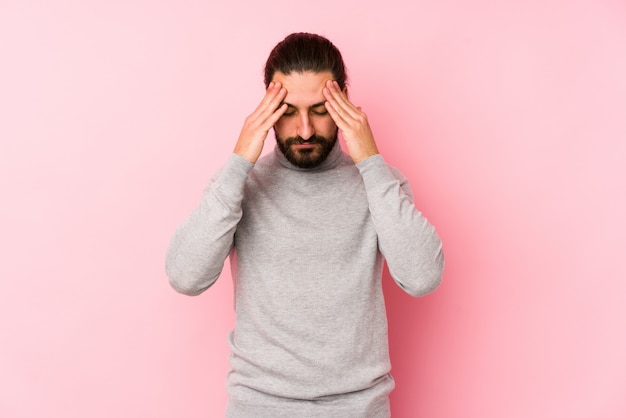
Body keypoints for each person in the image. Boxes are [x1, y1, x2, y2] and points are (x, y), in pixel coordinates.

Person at [166, 32, 444, 417]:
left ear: (343, 101)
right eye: (288, 111)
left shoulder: (379, 184)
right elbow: (185, 276)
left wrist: (371, 163)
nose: (305, 130)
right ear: (267, 106)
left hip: (358, 407)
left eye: (319, 110)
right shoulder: (238, 186)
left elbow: (422, 276)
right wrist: (237, 164)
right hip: (259, 405)